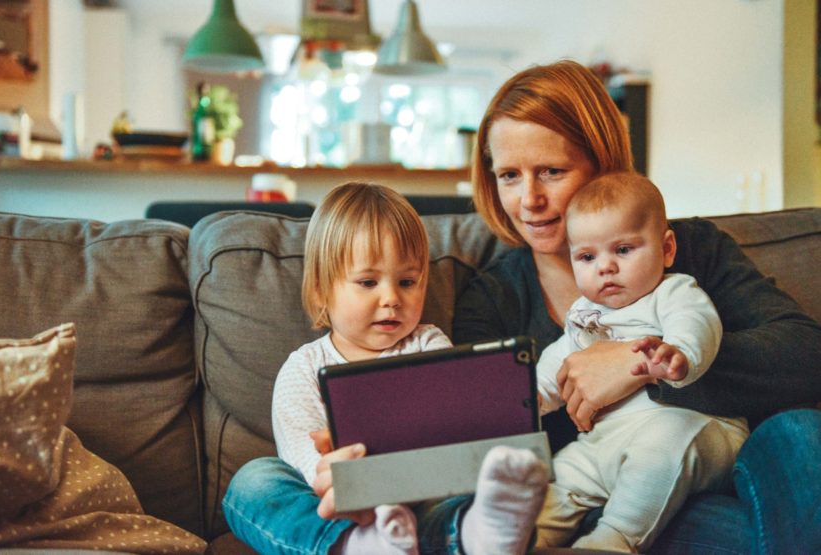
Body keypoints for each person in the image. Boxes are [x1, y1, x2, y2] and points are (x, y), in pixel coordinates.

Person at [453, 59, 821, 552]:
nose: (529, 200)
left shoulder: (690, 250)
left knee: (801, 431)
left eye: (551, 172)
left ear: (601, 163)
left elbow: (804, 356)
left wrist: (640, 362)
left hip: (709, 478)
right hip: (586, 498)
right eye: (509, 176)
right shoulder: (493, 296)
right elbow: (486, 432)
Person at [223, 182, 549, 555]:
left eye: (407, 282)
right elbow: (303, 459)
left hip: (422, 498)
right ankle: (359, 545)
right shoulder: (303, 368)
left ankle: (479, 535)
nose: (392, 298)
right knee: (253, 481)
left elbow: (453, 426)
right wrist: (345, 480)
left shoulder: (428, 344)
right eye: (367, 282)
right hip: (341, 508)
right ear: (320, 291)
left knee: (475, 488)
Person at [532, 171, 748, 551]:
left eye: (624, 250)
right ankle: (527, 538)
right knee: (561, 473)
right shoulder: (584, 312)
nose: (605, 267)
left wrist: (680, 353)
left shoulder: (672, 291)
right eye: (587, 256)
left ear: (666, 249)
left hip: (692, 429)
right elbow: (560, 360)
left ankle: (612, 540)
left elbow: (696, 322)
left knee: (660, 446)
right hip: (605, 442)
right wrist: (532, 396)